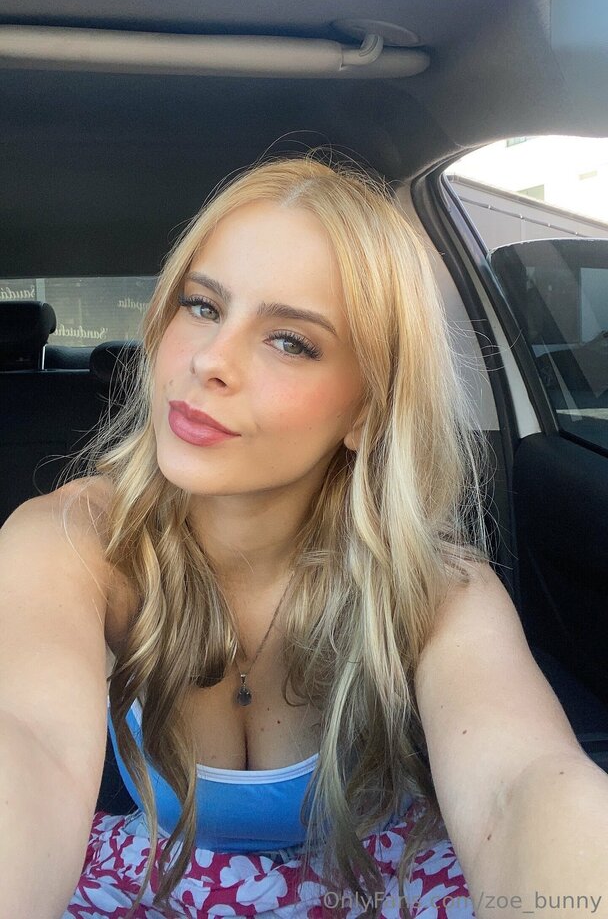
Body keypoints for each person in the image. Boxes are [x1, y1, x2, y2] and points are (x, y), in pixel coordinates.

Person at [1, 154, 606, 919]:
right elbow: (29, 741)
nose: (209, 361)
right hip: (151, 875)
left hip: (369, 878)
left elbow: (518, 786)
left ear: (366, 410)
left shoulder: (434, 582)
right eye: (202, 306)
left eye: (290, 340)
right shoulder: (71, 540)